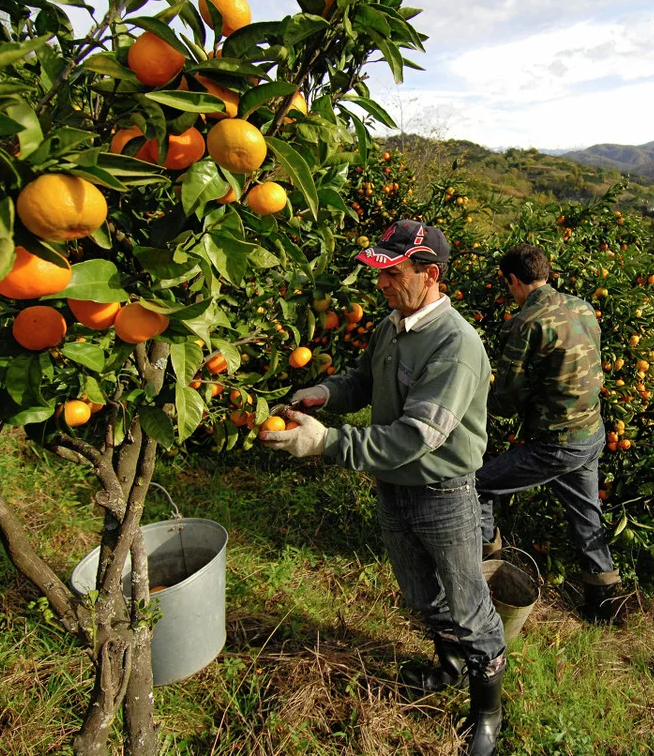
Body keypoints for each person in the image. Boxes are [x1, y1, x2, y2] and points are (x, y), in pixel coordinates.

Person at [260, 220, 506, 756]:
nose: (381, 284)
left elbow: (417, 435)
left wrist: (328, 444)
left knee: (469, 604)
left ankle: (488, 711)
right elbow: (364, 381)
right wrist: (323, 394)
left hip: (443, 494)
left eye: (392, 274)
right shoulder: (392, 325)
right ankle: (451, 664)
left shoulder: (455, 345)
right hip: (393, 488)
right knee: (421, 594)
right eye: (379, 274)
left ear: (430, 275)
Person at [478, 243, 622, 623]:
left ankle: (486, 570)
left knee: (478, 486)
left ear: (512, 280)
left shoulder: (528, 323)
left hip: (557, 443)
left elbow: (506, 400)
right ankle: (606, 605)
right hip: (591, 431)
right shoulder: (581, 306)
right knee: (586, 514)